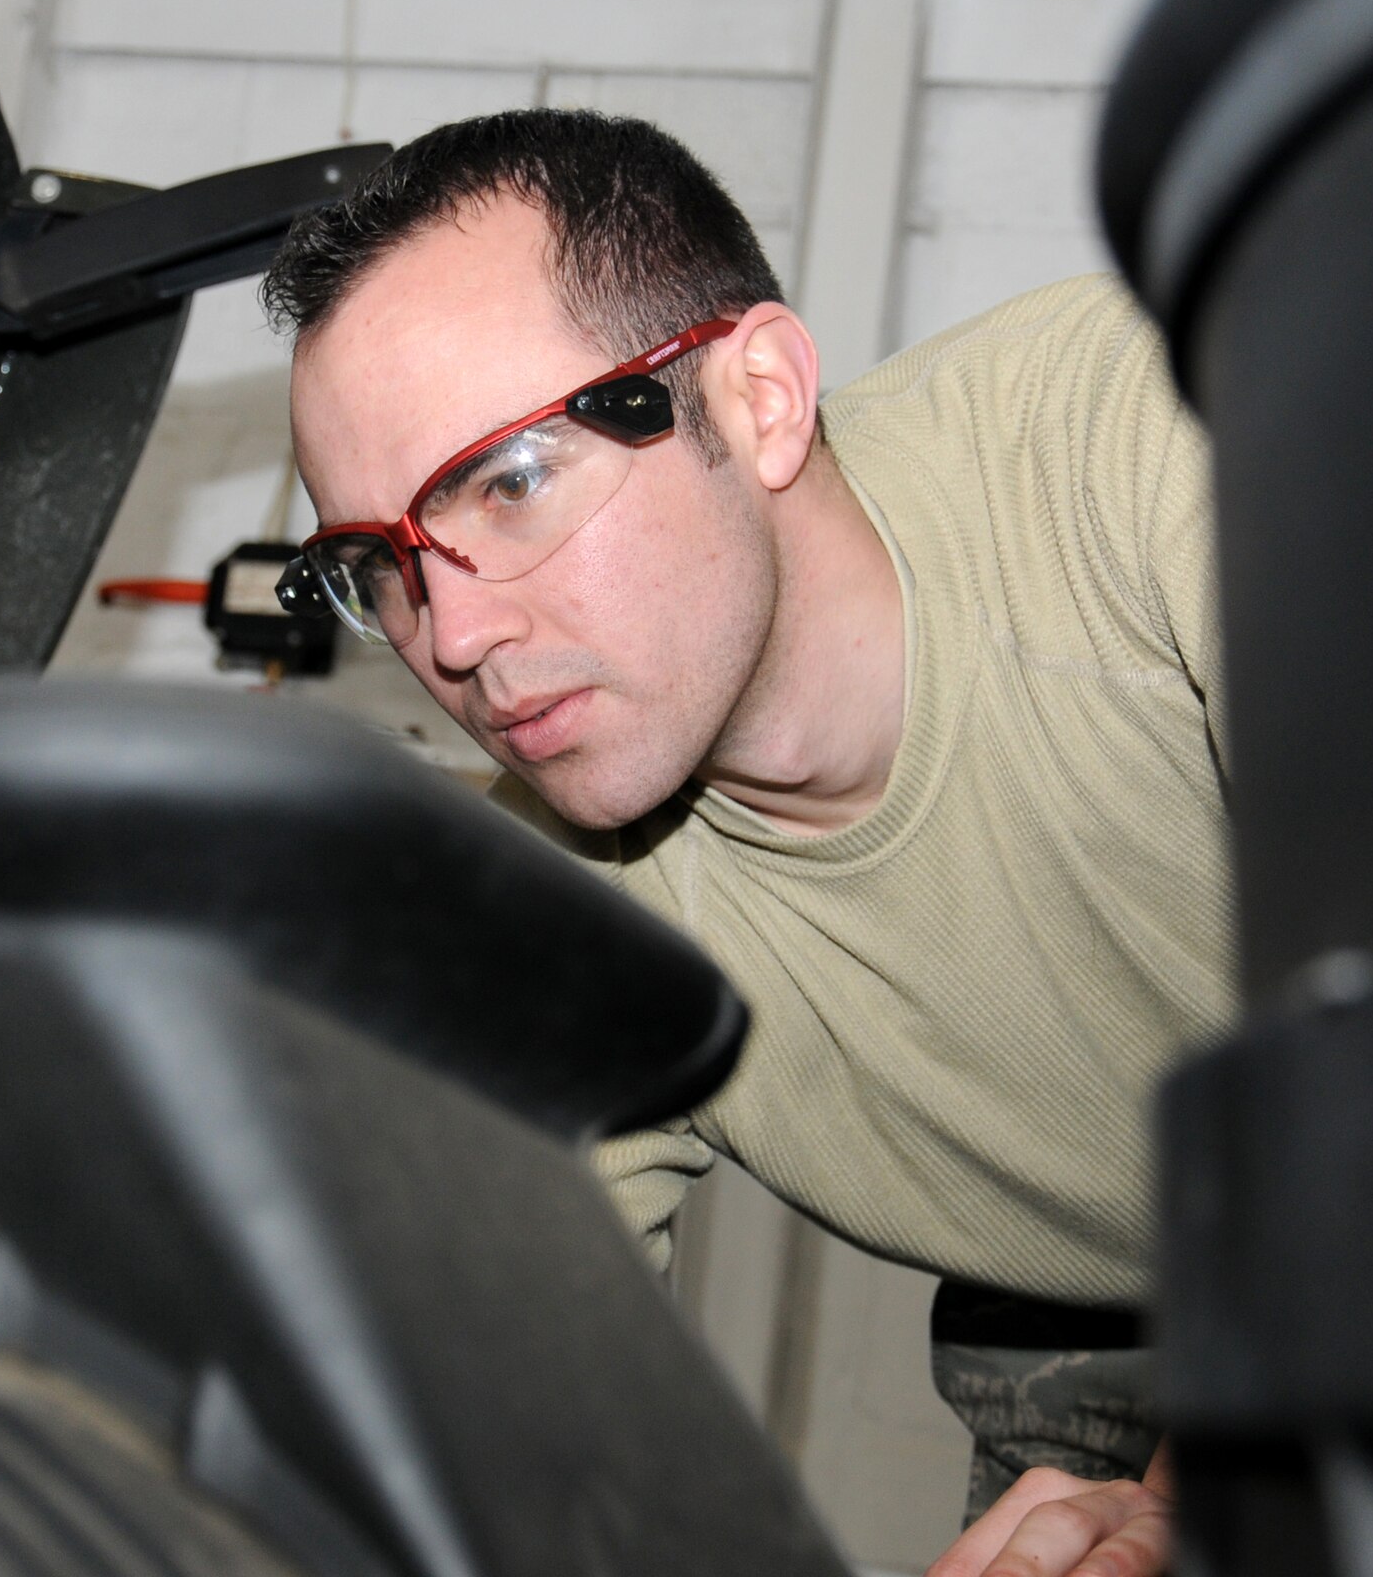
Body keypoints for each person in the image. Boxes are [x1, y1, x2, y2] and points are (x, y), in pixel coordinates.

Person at [263, 108, 1234, 1577]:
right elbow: (488, 1459)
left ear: (763, 396)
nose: (454, 637)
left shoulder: (1146, 435)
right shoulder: (555, 930)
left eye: (511, 482)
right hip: (1104, 1301)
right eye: (380, 568)